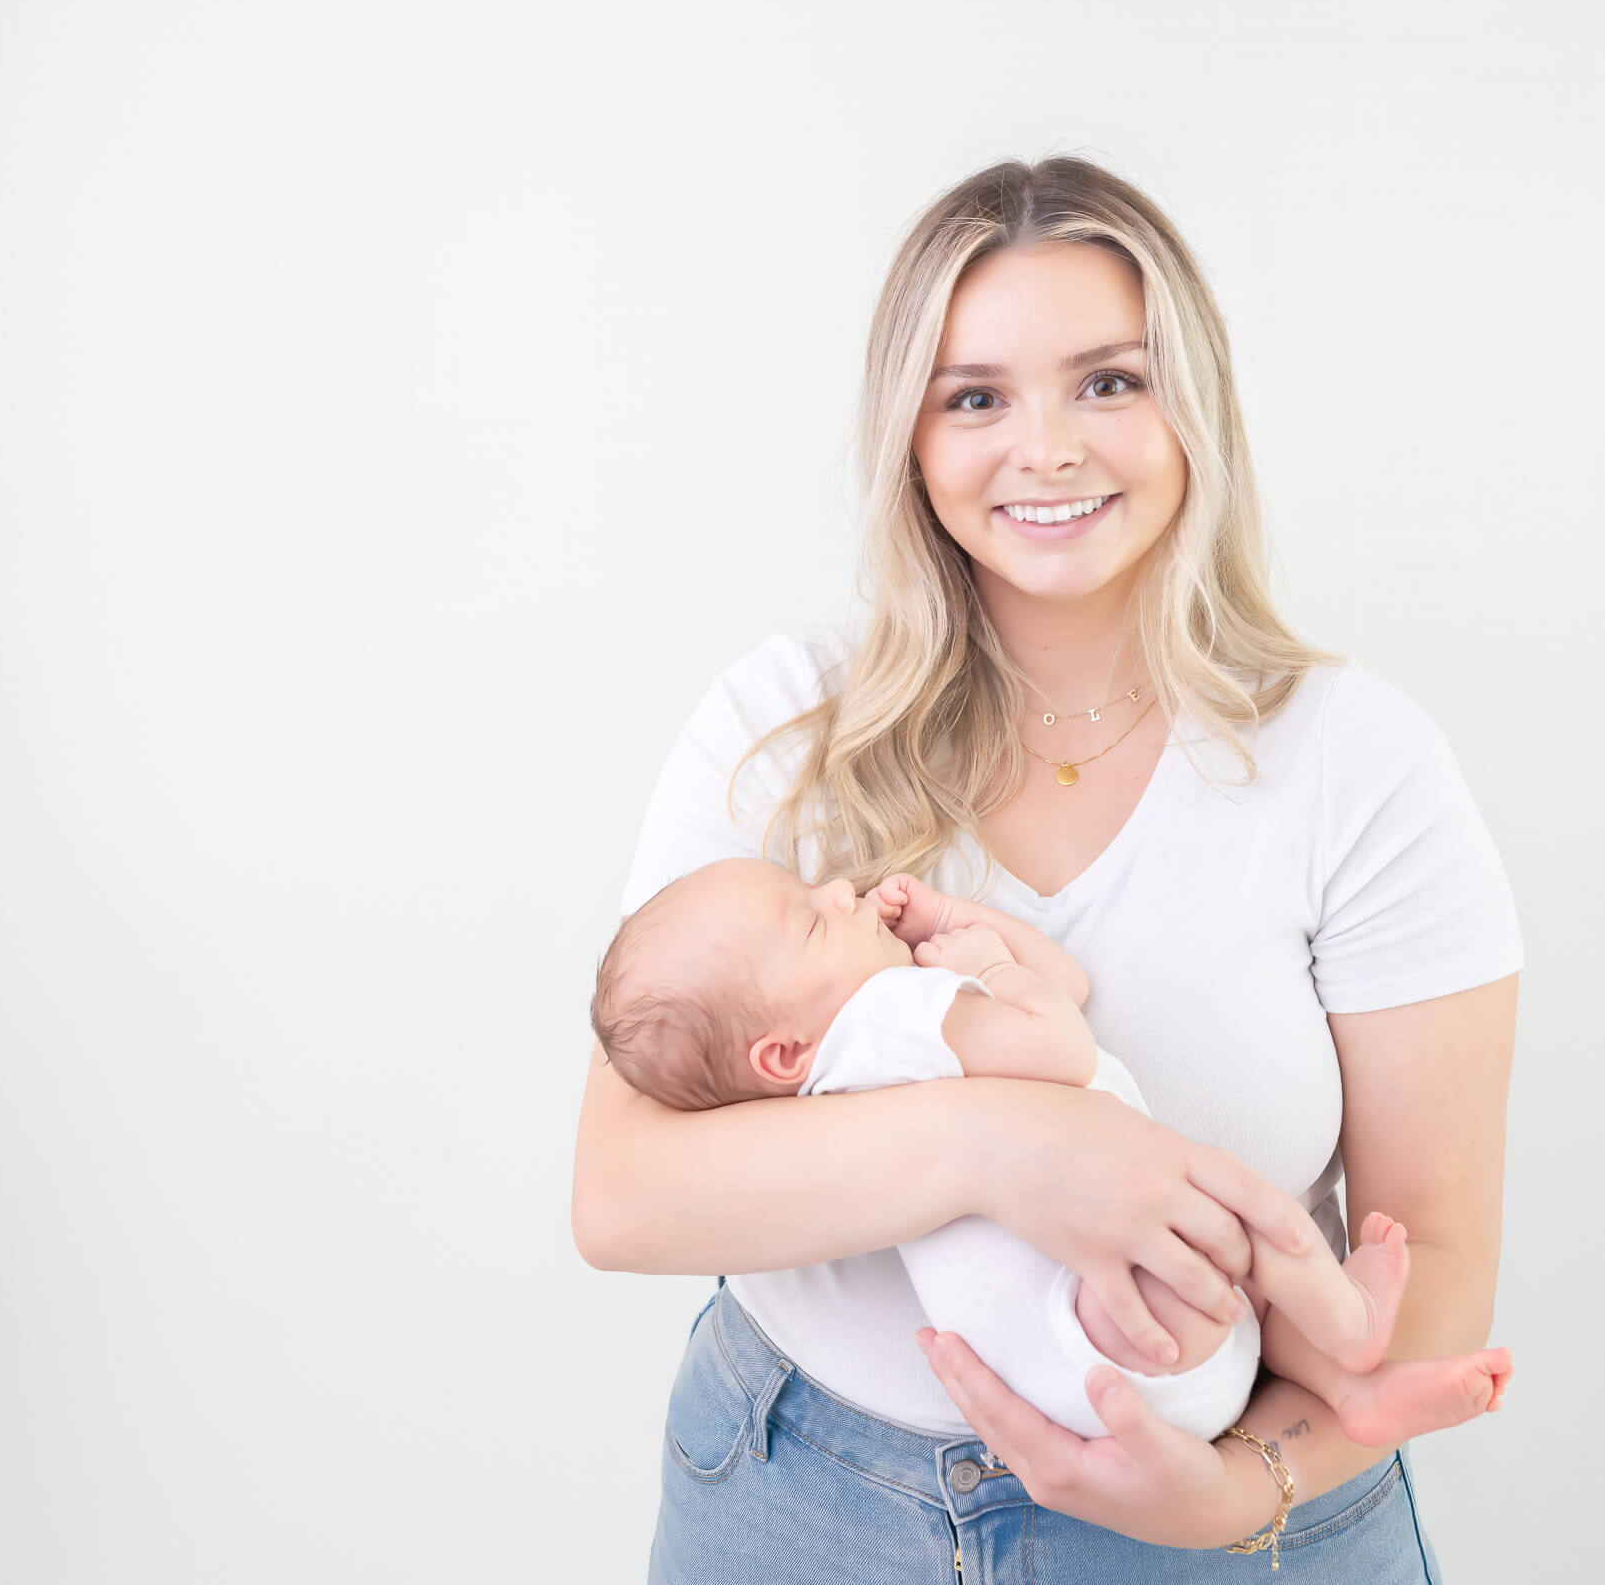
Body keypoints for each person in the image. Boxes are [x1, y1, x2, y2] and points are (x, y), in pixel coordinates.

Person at [572, 154, 1524, 1581]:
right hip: (797, 1498)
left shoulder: (1360, 765)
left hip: (1242, 1515)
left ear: (1191, 408)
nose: (1049, 447)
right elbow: (623, 1193)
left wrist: (1233, 1492)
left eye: (1109, 382)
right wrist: (1004, 1149)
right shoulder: (781, 727)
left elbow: (1435, 1258)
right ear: (913, 438)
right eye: (976, 397)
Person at [586, 855, 1510, 1454]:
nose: (837, 890)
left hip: (1089, 1370)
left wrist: (965, 951)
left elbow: (1056, 991)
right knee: (1239, 1231)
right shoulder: (890, 1019)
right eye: (813, 921)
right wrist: (979, 964)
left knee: (1225, 1265)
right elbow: (1058, 1037)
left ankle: (1354, 1395)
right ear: (781, 1053)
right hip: (1110, 1321)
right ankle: (1347, 1339)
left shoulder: (835, 1082)